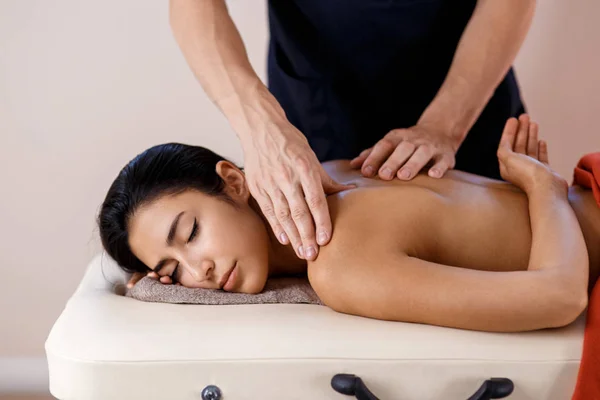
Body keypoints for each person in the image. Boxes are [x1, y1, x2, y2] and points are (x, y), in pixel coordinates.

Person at [98, 115, 600, 332]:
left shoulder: (340, 267)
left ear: (233, 181)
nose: (198, 272)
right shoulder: (333, 171)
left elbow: (560, 298)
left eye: (190, 234)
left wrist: (543, 189)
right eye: (172, 269)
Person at [169, 0, 536, 262]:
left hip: (466, 94)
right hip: (318, 101)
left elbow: (550, 291)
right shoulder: (339, 261)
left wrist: (444, 126)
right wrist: (259, 127)